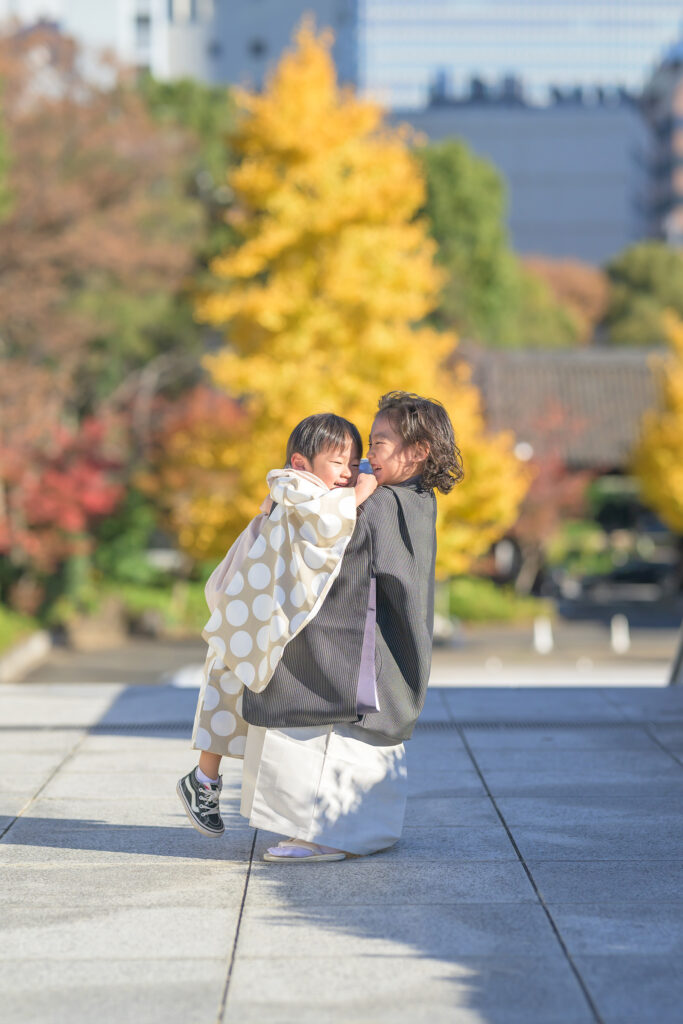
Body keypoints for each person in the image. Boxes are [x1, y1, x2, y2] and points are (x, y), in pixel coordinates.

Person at [180, 393, 463, 863]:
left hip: (342, 645)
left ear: (417, 452)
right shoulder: (415, 500)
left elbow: (317, 545)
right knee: (350, 745)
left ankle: (322, 834)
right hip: (376, 646)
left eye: (379, 443)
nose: (368, 457)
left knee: (326, 740)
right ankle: (352, 831)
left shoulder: (376, 503)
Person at [177, 412, 375, 837]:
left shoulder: (297, 490)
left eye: (355, 462)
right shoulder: (295, 486)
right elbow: (324, 520)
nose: (348, 472)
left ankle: (204, 780)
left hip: (254, 606)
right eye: (338, 462)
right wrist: (364, 490)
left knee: (236, 690)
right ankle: (203, 780)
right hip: (248, 606)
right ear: (302, 463)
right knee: (228, 688)